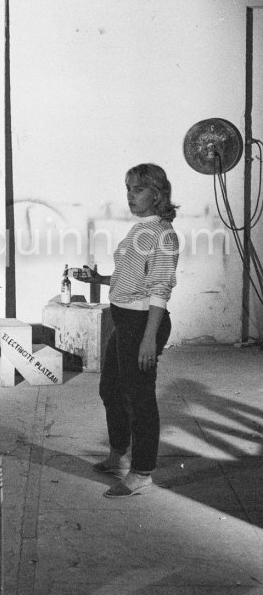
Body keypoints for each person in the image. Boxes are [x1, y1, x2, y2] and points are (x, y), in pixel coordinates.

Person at [73, 163, 179, 497]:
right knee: (110, 388)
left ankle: (142, 472)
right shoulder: (139, 229)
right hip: (124, 320)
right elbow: (131, 278)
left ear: (156, 193)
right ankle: (118, 455)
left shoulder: (164, 234)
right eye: (128, 188)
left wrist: (149, 339)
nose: (130, 196)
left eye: (138, 189)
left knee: (139, 397)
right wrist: (99, 279)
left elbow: (160, 289)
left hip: (143, 324)